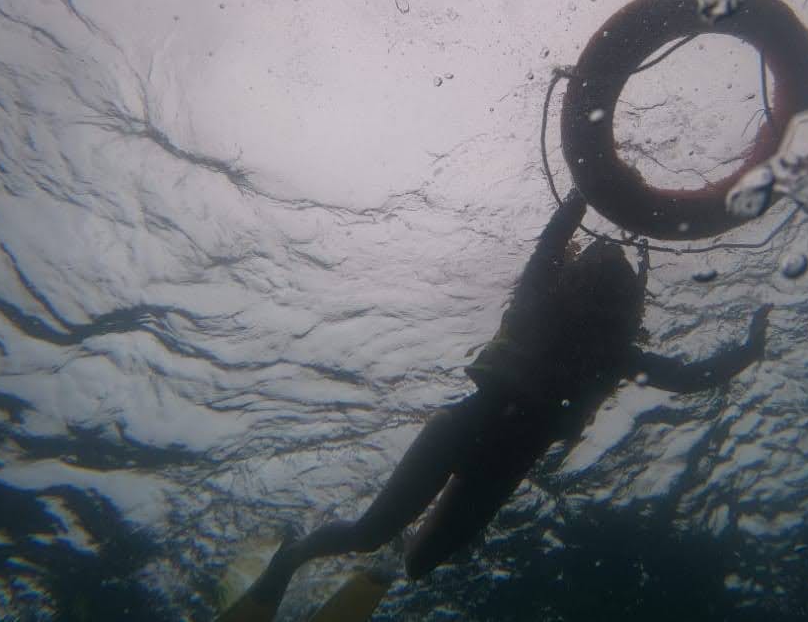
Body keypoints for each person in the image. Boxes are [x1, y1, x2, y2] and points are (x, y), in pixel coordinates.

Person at [218, 190, 770, 621]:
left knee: (418, 563)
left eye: (611, 277)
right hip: (463, 432)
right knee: (368, 534)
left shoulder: (612, 351)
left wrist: (746, 353)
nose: (602, 280)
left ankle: (390, 554)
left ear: (624, 302)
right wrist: (581, 196)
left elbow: (687, 377)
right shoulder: (545, 305)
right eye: (597, 270)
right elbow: (552, 247)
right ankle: (291, 558)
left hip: (501, 463)